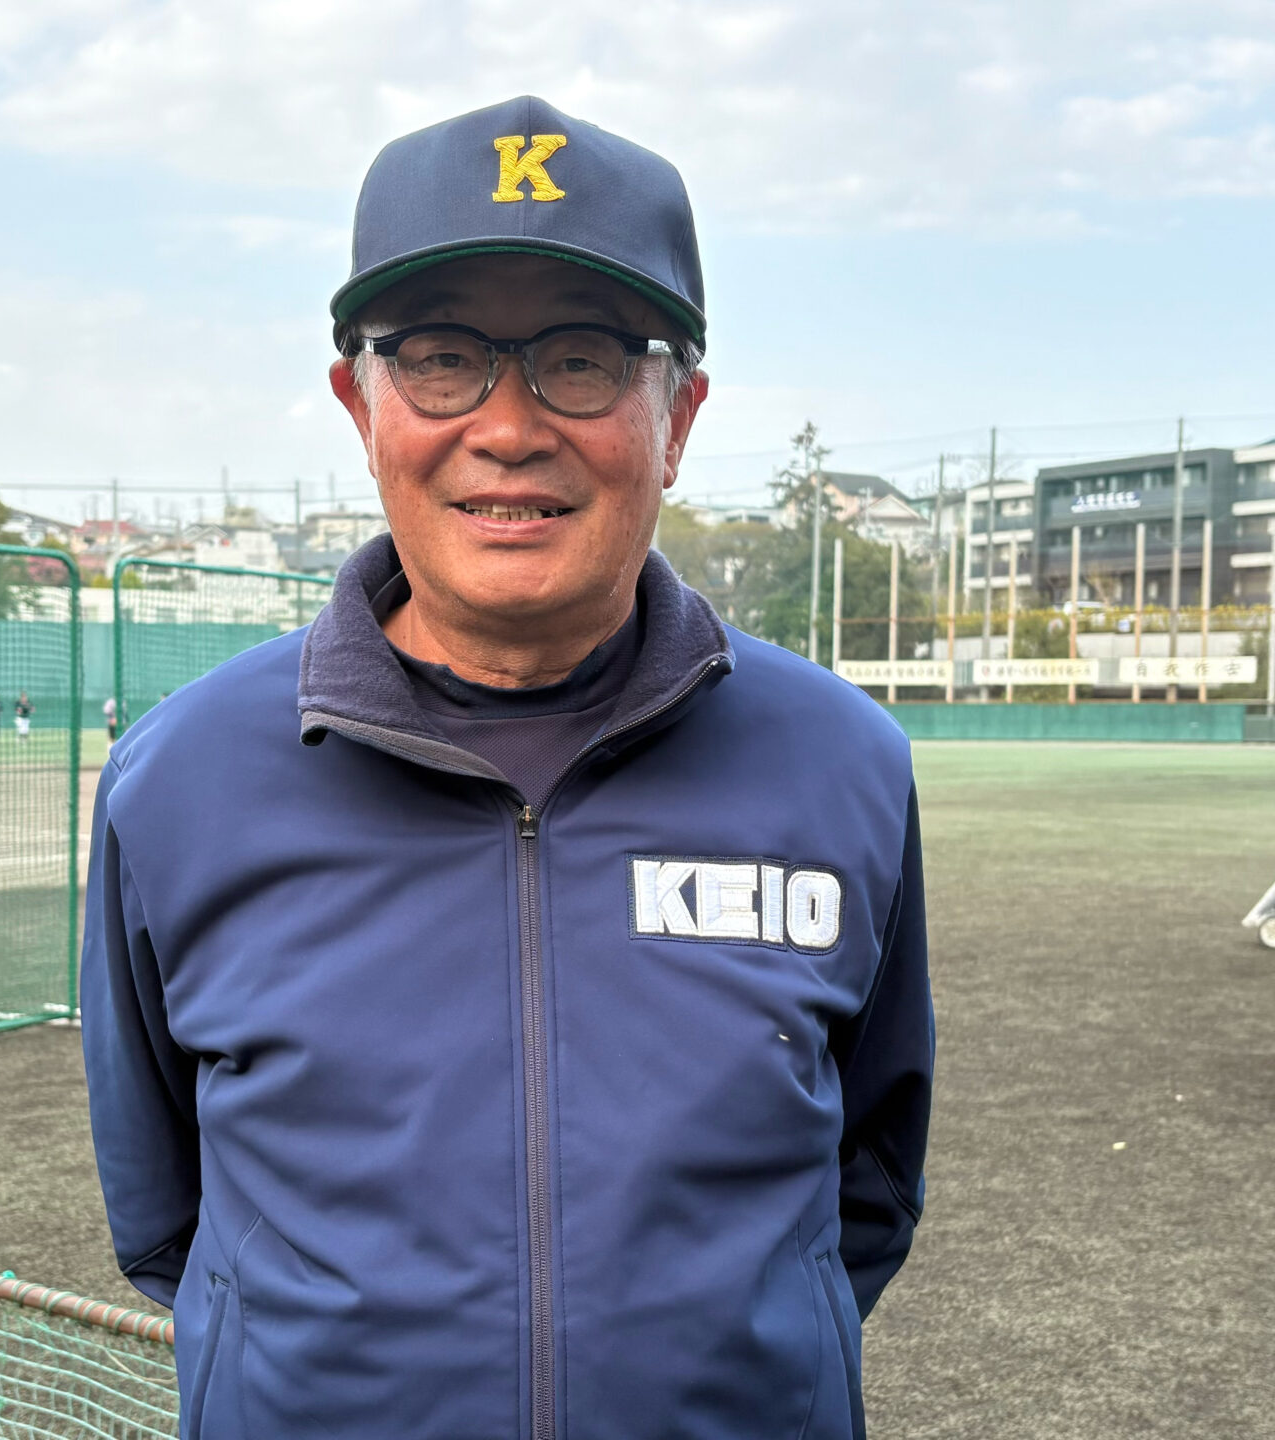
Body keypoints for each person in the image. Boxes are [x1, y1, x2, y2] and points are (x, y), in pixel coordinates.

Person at [84, 97, 931, 1440]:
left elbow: (866, 1192)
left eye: (582, 359)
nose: (510, 425)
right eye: (441, 358)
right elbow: (166, 1217)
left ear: (678, 416)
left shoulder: (844, 765)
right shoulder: (179, 780)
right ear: (361, 404)